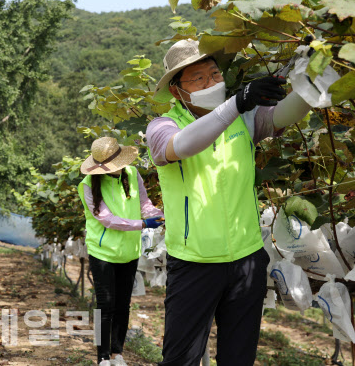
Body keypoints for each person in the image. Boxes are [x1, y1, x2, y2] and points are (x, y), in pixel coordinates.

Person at [147, 39, 332, 365]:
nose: (211, 82)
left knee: (239, 358)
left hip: (246, 260)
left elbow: (283, 114)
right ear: (177, 92)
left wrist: (314, 75)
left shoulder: (243, 120)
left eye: (214, 74)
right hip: (194, 263)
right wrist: (237, 101)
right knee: (180, 359)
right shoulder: (163, 126)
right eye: (198, 78)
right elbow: (182, 145)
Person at [77, 137, 164, 366]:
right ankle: (102, 356)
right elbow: (107, 220)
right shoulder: (88, 184)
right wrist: (143, 225)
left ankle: (117, 353)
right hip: (102, 252)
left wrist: (158, 215)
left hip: (129, 251)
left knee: (123, 304)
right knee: (105, 305)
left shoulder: (132, 174)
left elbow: (144, 204)